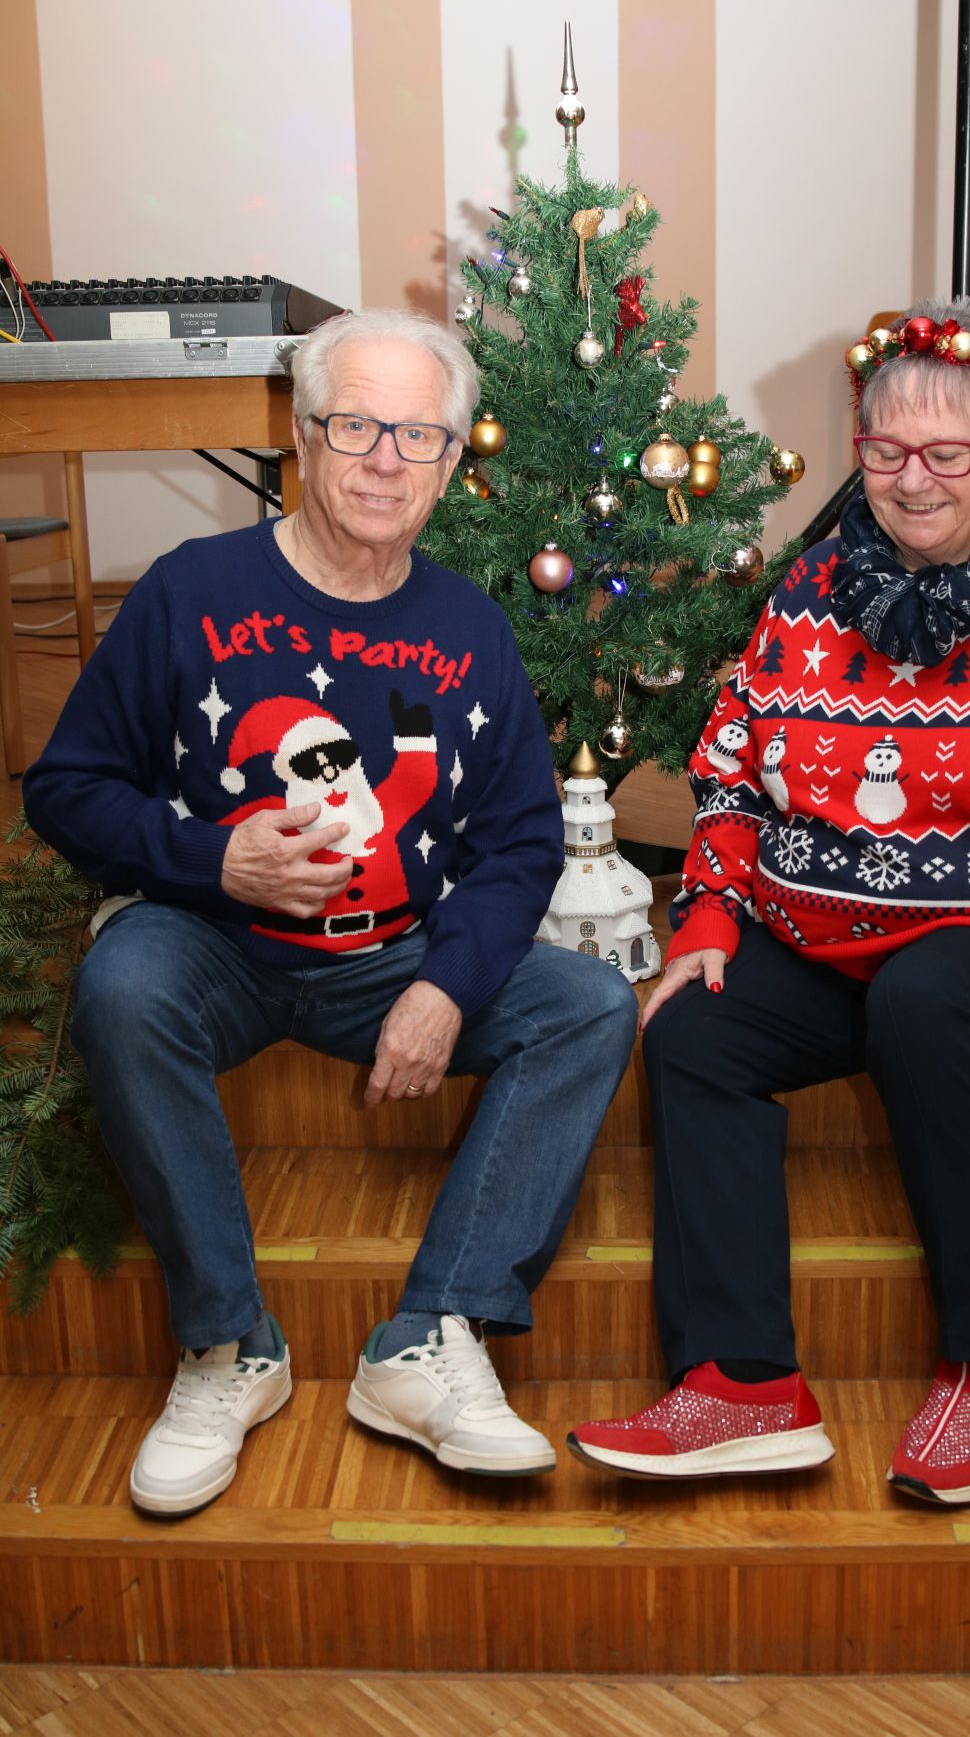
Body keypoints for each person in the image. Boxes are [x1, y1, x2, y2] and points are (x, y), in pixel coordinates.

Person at [569, 295, 970, 1502]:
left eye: (947, 453)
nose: (912, 480)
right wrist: (709, 915)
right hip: (824, 930)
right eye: (885, 449)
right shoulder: (806, 593)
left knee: (921, 1001)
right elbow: (732, 773)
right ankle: (742, 1383)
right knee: (695, 1031)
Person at [23, 307, 637, 1515]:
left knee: (591, 1006)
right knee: (121, 986)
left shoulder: (469, 626)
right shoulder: (191, 592)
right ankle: (227, 1346)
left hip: (396, 952)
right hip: (213, 942)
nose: (385, 461)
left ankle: (430, 1336)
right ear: (303, 437)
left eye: (419, 436)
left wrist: (445, 988)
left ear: (451, 464)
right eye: (356, 426)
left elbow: (520, 841)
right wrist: (211, 858)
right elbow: (66, 788)